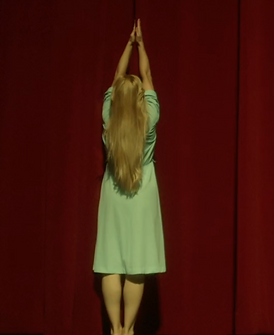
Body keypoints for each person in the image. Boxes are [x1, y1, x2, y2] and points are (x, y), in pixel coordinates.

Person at [94, 19, 165, 335]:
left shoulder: (109, 116)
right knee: (136, 264)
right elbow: (147, 76)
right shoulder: (150, 118)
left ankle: (114, 329)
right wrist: (141, 45)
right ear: (139, 99)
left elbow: (115, 77)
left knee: (110, 261)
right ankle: (129, 330)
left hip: (114, 192)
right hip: (142, 193)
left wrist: (127, 44)